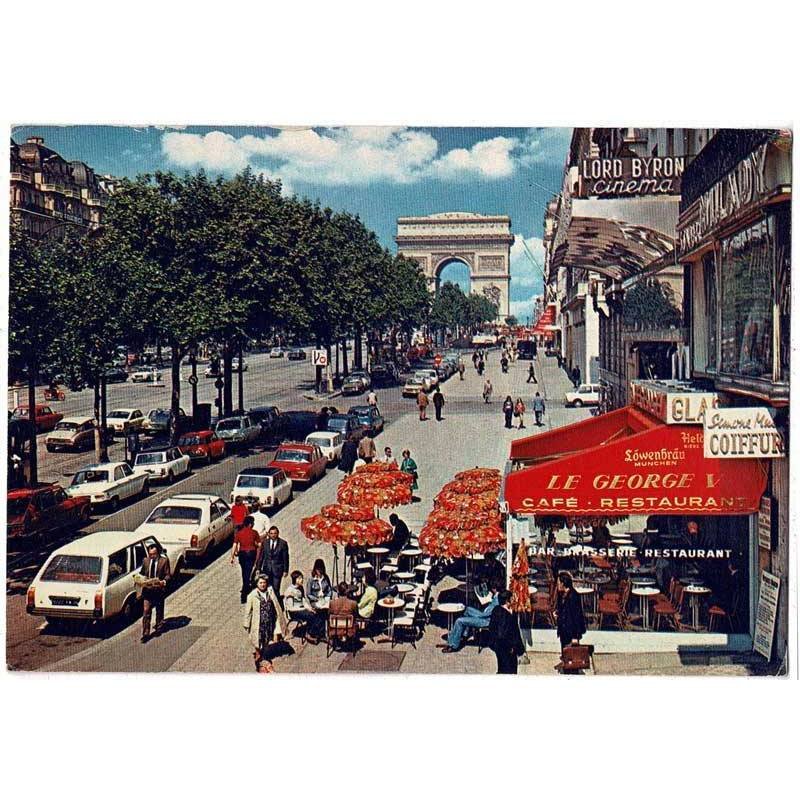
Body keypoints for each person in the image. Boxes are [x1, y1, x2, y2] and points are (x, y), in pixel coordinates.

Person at [243, 574, 284, 668]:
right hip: (258, 622)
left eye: (264, 582)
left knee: (267, 638)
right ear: (257, 584)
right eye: (260, 583)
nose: (262, 585)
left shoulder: (270, 591)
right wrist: (246, 623)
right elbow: (248, 611)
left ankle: (264, 655)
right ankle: (258, 653)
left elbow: (275, 604)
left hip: (269, 620)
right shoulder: (252, 595)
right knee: (258, 638)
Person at [139, 543, 171, 643]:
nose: (151, 556)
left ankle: (159, 626)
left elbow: (168, 575)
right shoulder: (145, 561)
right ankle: (145, 633)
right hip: (148, 591)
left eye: (153, 554)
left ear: (158, 553)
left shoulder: (164, 561)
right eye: (150, 554)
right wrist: (140, 580)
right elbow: (142, 573)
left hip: (158, 591)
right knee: (146, 611)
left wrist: (163, 582)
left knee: (159, 610)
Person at [488, 590, 525, 674]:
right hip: (505, 648)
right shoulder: (501, 614)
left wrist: (520, 649)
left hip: (510, 648)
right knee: (506, 670)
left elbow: (516, 631)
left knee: (511, 668)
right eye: (512, 598)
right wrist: (510, 647)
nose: (514, 599)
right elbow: (500, 633)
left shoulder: (511, 612)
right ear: (507, 601)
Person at [284, 570, 326, 643]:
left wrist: (309, 608)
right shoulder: (290, 591)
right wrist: (304, 609)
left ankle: (321, 634)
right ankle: (310, 633)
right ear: (295, 580)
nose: (301, 580)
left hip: (301, 609)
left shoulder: (300, 588)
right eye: (299, 578)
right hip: (294, 611)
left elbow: (303, 600)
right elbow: (290, 607)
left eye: (302, 578)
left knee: (319, 612)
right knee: (311, 615)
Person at [554, 571, 587, 662]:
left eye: (558, 583)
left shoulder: (573, 597)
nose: (557, 585)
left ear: (563, 584)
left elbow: (577, 617)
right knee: (566, 656)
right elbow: (563, 611)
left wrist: (575, 636)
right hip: (564, 632)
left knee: (572, 659)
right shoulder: (562, 595)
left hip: (570, 633)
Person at [230, 516, 261, 603]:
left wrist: (232, 557)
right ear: (250, 524)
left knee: (244, 572)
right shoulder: (254, 532)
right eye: (253, 523)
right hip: (251, 554)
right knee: (248, 572)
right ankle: (245, 591)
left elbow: (235, 545)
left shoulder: (239, 533)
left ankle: (245, 587)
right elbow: (259, 544)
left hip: (242, 555)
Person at [257, 525, 290, 600]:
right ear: (268, 534)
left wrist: (285, 570)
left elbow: (285, 557)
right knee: (267, 587)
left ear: (278, 534)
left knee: (276, 587)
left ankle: (277, 604)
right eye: (271, 533)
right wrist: (258, 568)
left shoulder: (283, 543)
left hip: (277, 569)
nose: (273, 535)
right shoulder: (265, 543)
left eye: (275, 533)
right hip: (267, 569)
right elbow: (261, 556)